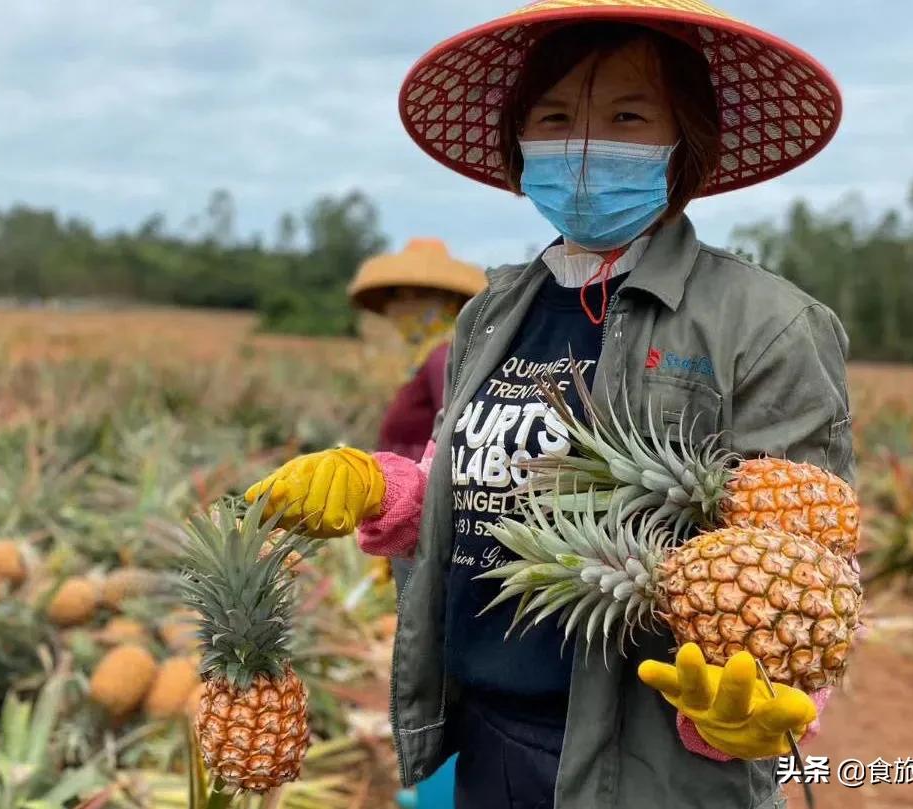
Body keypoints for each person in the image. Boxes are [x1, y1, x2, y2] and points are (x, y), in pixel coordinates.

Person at [247, 2, 855, 807]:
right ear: (519, 139)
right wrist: (378, 485)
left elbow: (803, 561)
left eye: (627, 116)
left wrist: (769, 699)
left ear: (686, 138)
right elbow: (468, 473)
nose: (580, 147)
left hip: (649, 764)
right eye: (556, 117)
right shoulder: (493, 309)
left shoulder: (768, 323)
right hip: (487, 735)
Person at [348, 237, 487, 592]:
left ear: (448, 302)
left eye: (415, 298)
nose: (401, 309)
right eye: (398, 297)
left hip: (422, 513)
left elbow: (454, 432)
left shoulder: (444, 354)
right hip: (406, 510)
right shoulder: (427, 356)